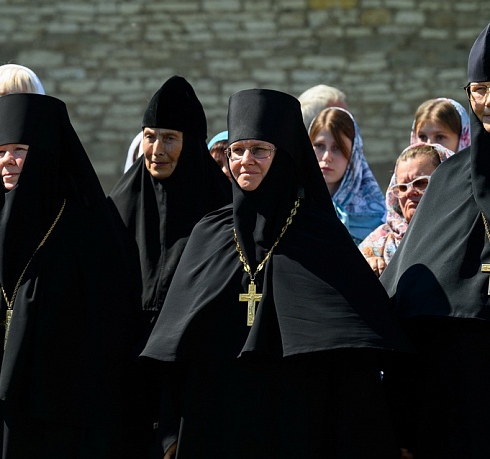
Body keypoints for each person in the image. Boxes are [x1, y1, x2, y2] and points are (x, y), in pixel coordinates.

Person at [142, 88, 409, 459]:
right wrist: (171, 432)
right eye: (237, 150)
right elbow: (176, 347)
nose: (244, 161)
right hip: (217, 425)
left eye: (259, 150)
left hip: (299, 427)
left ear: (284, 156)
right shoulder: (209, 234)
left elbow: (353, 357)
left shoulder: (321, 236)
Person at [0, 93, 140, 458]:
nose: (7, 161)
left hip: (64, 418)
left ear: (45, 151)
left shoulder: (90, 227)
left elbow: (109, 334)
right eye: (0, 151)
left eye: (18, 149)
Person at [380, 22, 490, 458]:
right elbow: (407, 298)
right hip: (455, 399)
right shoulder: (448, 179)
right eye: (480, 89)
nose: (488, 101)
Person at [108, 75, 231, 457]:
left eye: (169, 138)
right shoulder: (117, 207)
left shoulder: (221, 209)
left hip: (194, 377)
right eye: (149, 136)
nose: (156, 149)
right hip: (128, 381)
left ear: (191, 144)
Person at [359, 143, 453, 276]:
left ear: (448, 182)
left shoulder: (465, 234)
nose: (409, 192)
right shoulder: (379, 244)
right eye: (402, 187)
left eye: (421, 183)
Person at [309, 106, 386, 245]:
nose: (327, 157)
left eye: (337, 148)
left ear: (354, 154)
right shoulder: (291, 205)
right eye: (319, 146)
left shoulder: (378, 219)